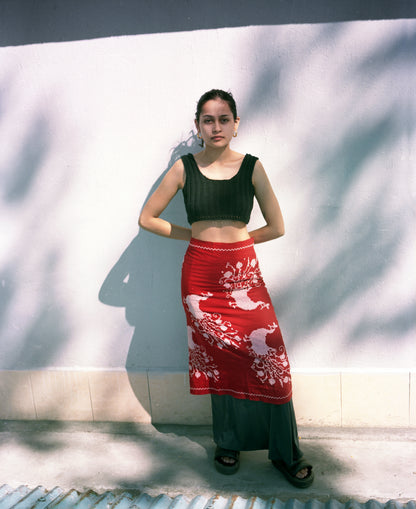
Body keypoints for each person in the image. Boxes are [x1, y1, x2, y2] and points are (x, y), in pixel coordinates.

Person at [139, 89, 314, 488]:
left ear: (236, 124)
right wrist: (195, 237)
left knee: (271, 358)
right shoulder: (184, 168)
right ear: (197, 126)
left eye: (223, 119)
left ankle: (285, 452)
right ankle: (228, 442)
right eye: (207, 119)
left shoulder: (252, 167)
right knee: (220, 360)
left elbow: (277, 226)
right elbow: (147, 218)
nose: (215, 127)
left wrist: (239, 242)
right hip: (200, 278)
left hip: (243, 276)